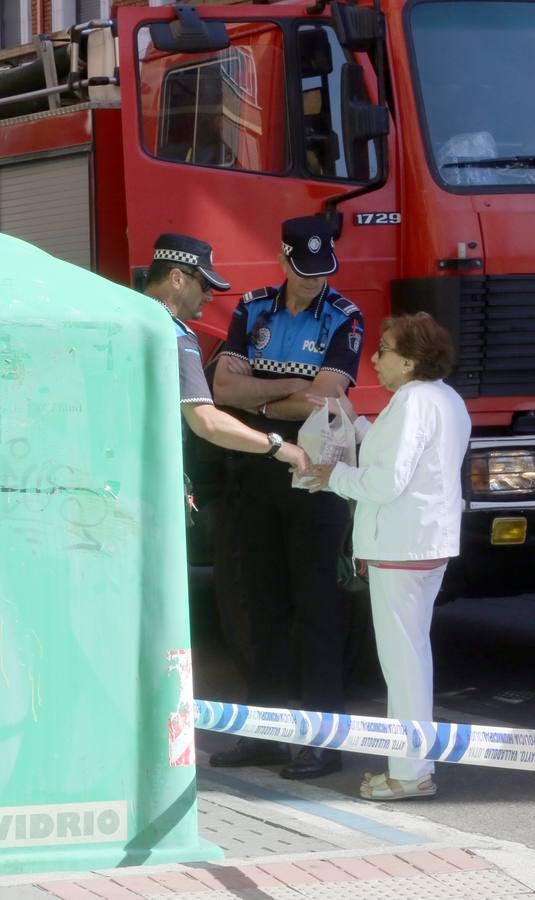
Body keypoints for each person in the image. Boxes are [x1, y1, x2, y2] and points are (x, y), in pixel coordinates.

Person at [207, 215, 365, 780]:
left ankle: (324, 741)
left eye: (322, 273)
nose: (313, 283)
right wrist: (290, 393)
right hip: (256, 464)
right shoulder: (251, 308)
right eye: (303, 272)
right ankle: (268, 735)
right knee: (260, 602)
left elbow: (328, 400)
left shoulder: (346, 315)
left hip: (318, 471)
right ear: (283, 259)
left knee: (319, 606)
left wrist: (263, 398)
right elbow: (223, 389)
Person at [305, 313, 470, 800]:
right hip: (429, 545)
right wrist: (356, 424)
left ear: (410, 360)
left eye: (384, 349)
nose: (375, 358)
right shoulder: (446, 398)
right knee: (413, 656)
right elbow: (407, 460)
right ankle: (412, 766)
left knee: (403, 663)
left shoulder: (411, 401)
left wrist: (329, 475)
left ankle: (409, 772)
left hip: (400, 545)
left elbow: (383, 482)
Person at [142, 233, 310, 473]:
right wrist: (279, 447)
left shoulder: (123, 316)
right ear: (177, 278)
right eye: (205, 285)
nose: (210, 296)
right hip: (150, 479)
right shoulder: (174, 335)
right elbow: (207, 422)